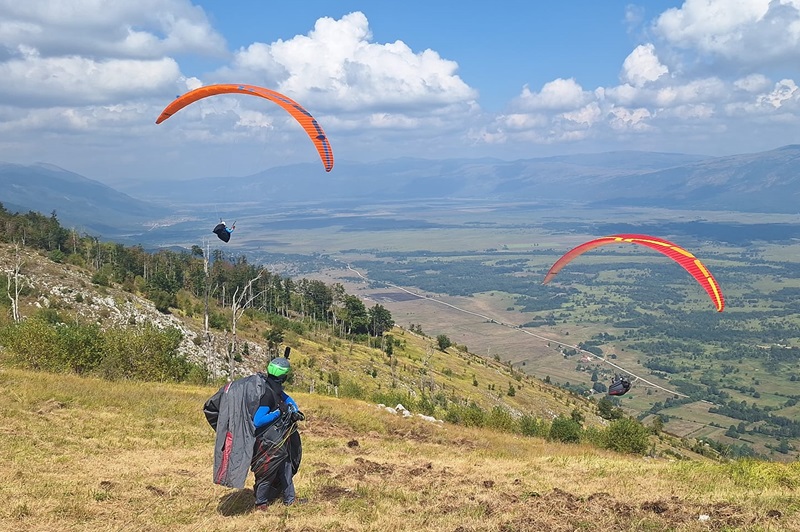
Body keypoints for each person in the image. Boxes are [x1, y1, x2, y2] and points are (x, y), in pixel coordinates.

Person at [202, 356, 304, 508]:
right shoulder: (267, 394)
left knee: (286, 466)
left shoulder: (272, 388)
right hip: (266, 441)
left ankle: (290, 499)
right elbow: (258, 420)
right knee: (267, 471)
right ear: (283, 377)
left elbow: (287, 398)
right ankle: (261, 503)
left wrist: (294, 410)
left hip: (277, 438)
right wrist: (278, 412)